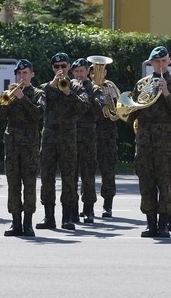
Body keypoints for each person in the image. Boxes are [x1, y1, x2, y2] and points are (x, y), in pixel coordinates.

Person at [130, 46, 171, 238]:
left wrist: (166, 93)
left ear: (169, 61)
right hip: (145, 142)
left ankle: (163, 224)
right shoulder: (142, 84)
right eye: (156, 62)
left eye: (163, 61)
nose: (160, 64)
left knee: (165, 183)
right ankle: (150, 223)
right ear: (151, 63)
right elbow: (131, 114)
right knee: (146, 183)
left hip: (166, 144)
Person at [36, 53, 89, 231]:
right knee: (47, 178)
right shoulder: (45, 87)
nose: (60, 69)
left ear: (69, 67)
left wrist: (68, 92)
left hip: (68, 138)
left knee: (69, 179)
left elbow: (84, 107)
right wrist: (53, 86)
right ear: (52, 69)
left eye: (63, 66)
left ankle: (67, 217)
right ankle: (48, 217)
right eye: (57, 67)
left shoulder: (77, 86)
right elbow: (39, 105)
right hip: (49, 138)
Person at [0, 59, 44, 237]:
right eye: (19, 73)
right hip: (12, 144)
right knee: (13, 184)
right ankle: (15, 222)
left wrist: (23, 99)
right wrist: (8, 98)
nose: (21, 76)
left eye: (25, 73)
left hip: (29, 145)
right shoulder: (10, 92)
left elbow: (38, 114)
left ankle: (28, 223)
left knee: (29, 184)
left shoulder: (38, 94)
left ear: (32, 74)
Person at [72, 58, 103, 224]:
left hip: (88, 137)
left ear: (87, 73)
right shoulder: (68, 87)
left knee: (88, 175)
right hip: (70, 136)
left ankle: (89, 209)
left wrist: (85, 96)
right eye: (76, 71)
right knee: (71, 176)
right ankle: (73, 210)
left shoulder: (95, 89)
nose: (78, 75)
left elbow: (99, 109)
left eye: (81, 71)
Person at [94, 64, 119, 218]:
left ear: (106, 72)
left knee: (108, 172)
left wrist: (109, 99)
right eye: (95, 71)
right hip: (89, 134)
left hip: (108, 135)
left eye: (101, 71)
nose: (98, 74)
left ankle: (107, 205)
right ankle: (87, 205)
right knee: (87, 172)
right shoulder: (87, 88)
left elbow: (117, 111)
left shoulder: (110, 88)